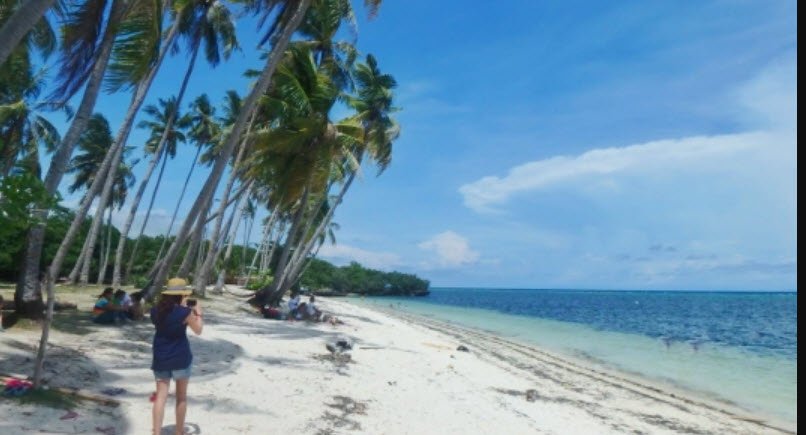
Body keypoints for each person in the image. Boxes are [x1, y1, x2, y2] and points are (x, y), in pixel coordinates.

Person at [151, 278, 203, 435]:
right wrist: (198, 313)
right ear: (182, 295)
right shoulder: (185, 313)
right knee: (181, 398)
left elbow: (168, 320)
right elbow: (198, 330)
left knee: (160, 397)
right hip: (180, 357)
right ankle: (179, 432)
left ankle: (156, 432)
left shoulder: (155, 310)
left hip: (160, 356)